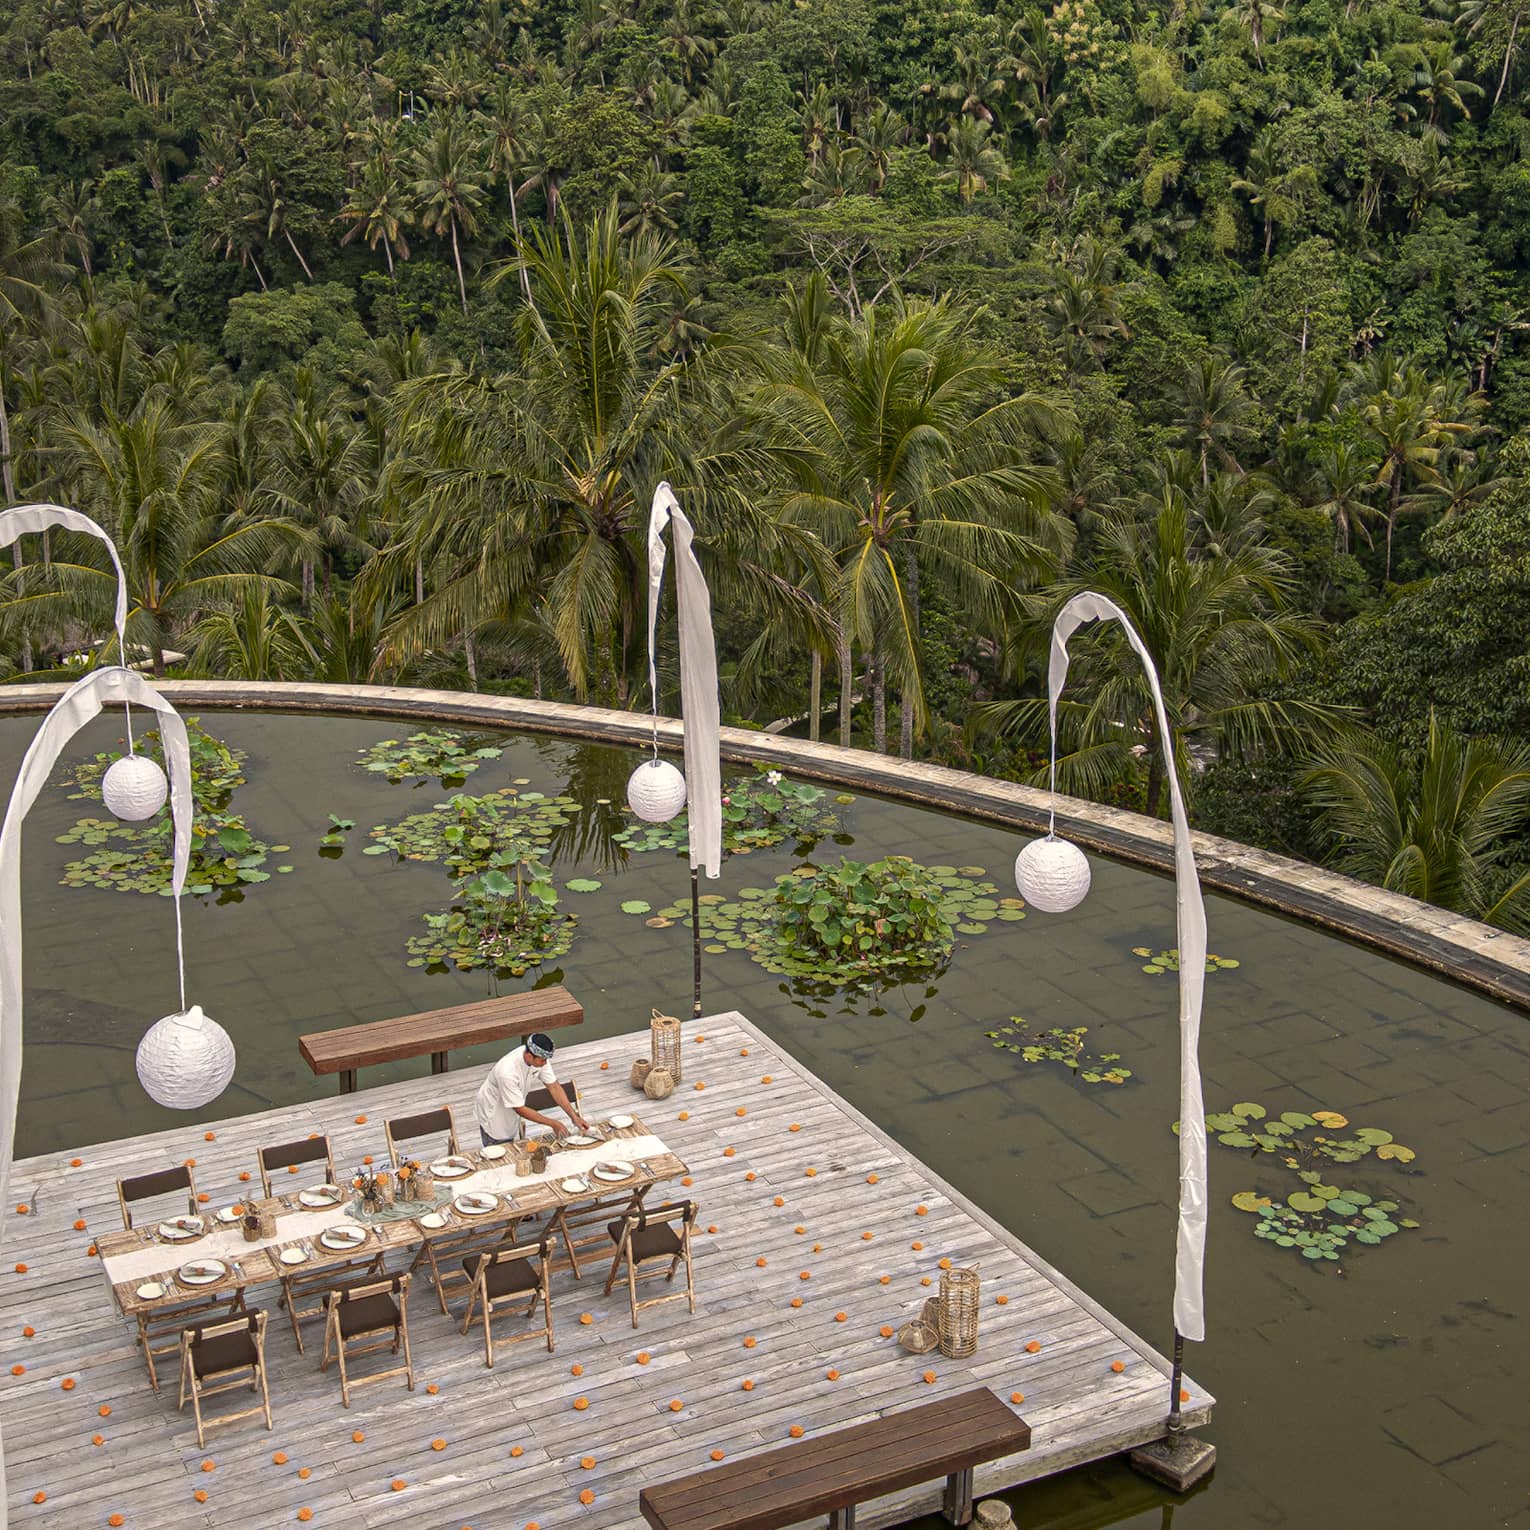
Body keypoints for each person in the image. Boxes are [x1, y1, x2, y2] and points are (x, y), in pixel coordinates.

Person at [475, 1032, 587, 1147]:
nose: (545, 1064)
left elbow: (554, 1086)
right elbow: (519, 1109)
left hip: (513, 1106)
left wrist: (574, 1117)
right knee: (500, 1148)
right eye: (542, 1060)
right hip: (494, 1114)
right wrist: (553, 1123)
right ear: (529, 1056)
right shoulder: (506, 1072)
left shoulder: (539, 1057)